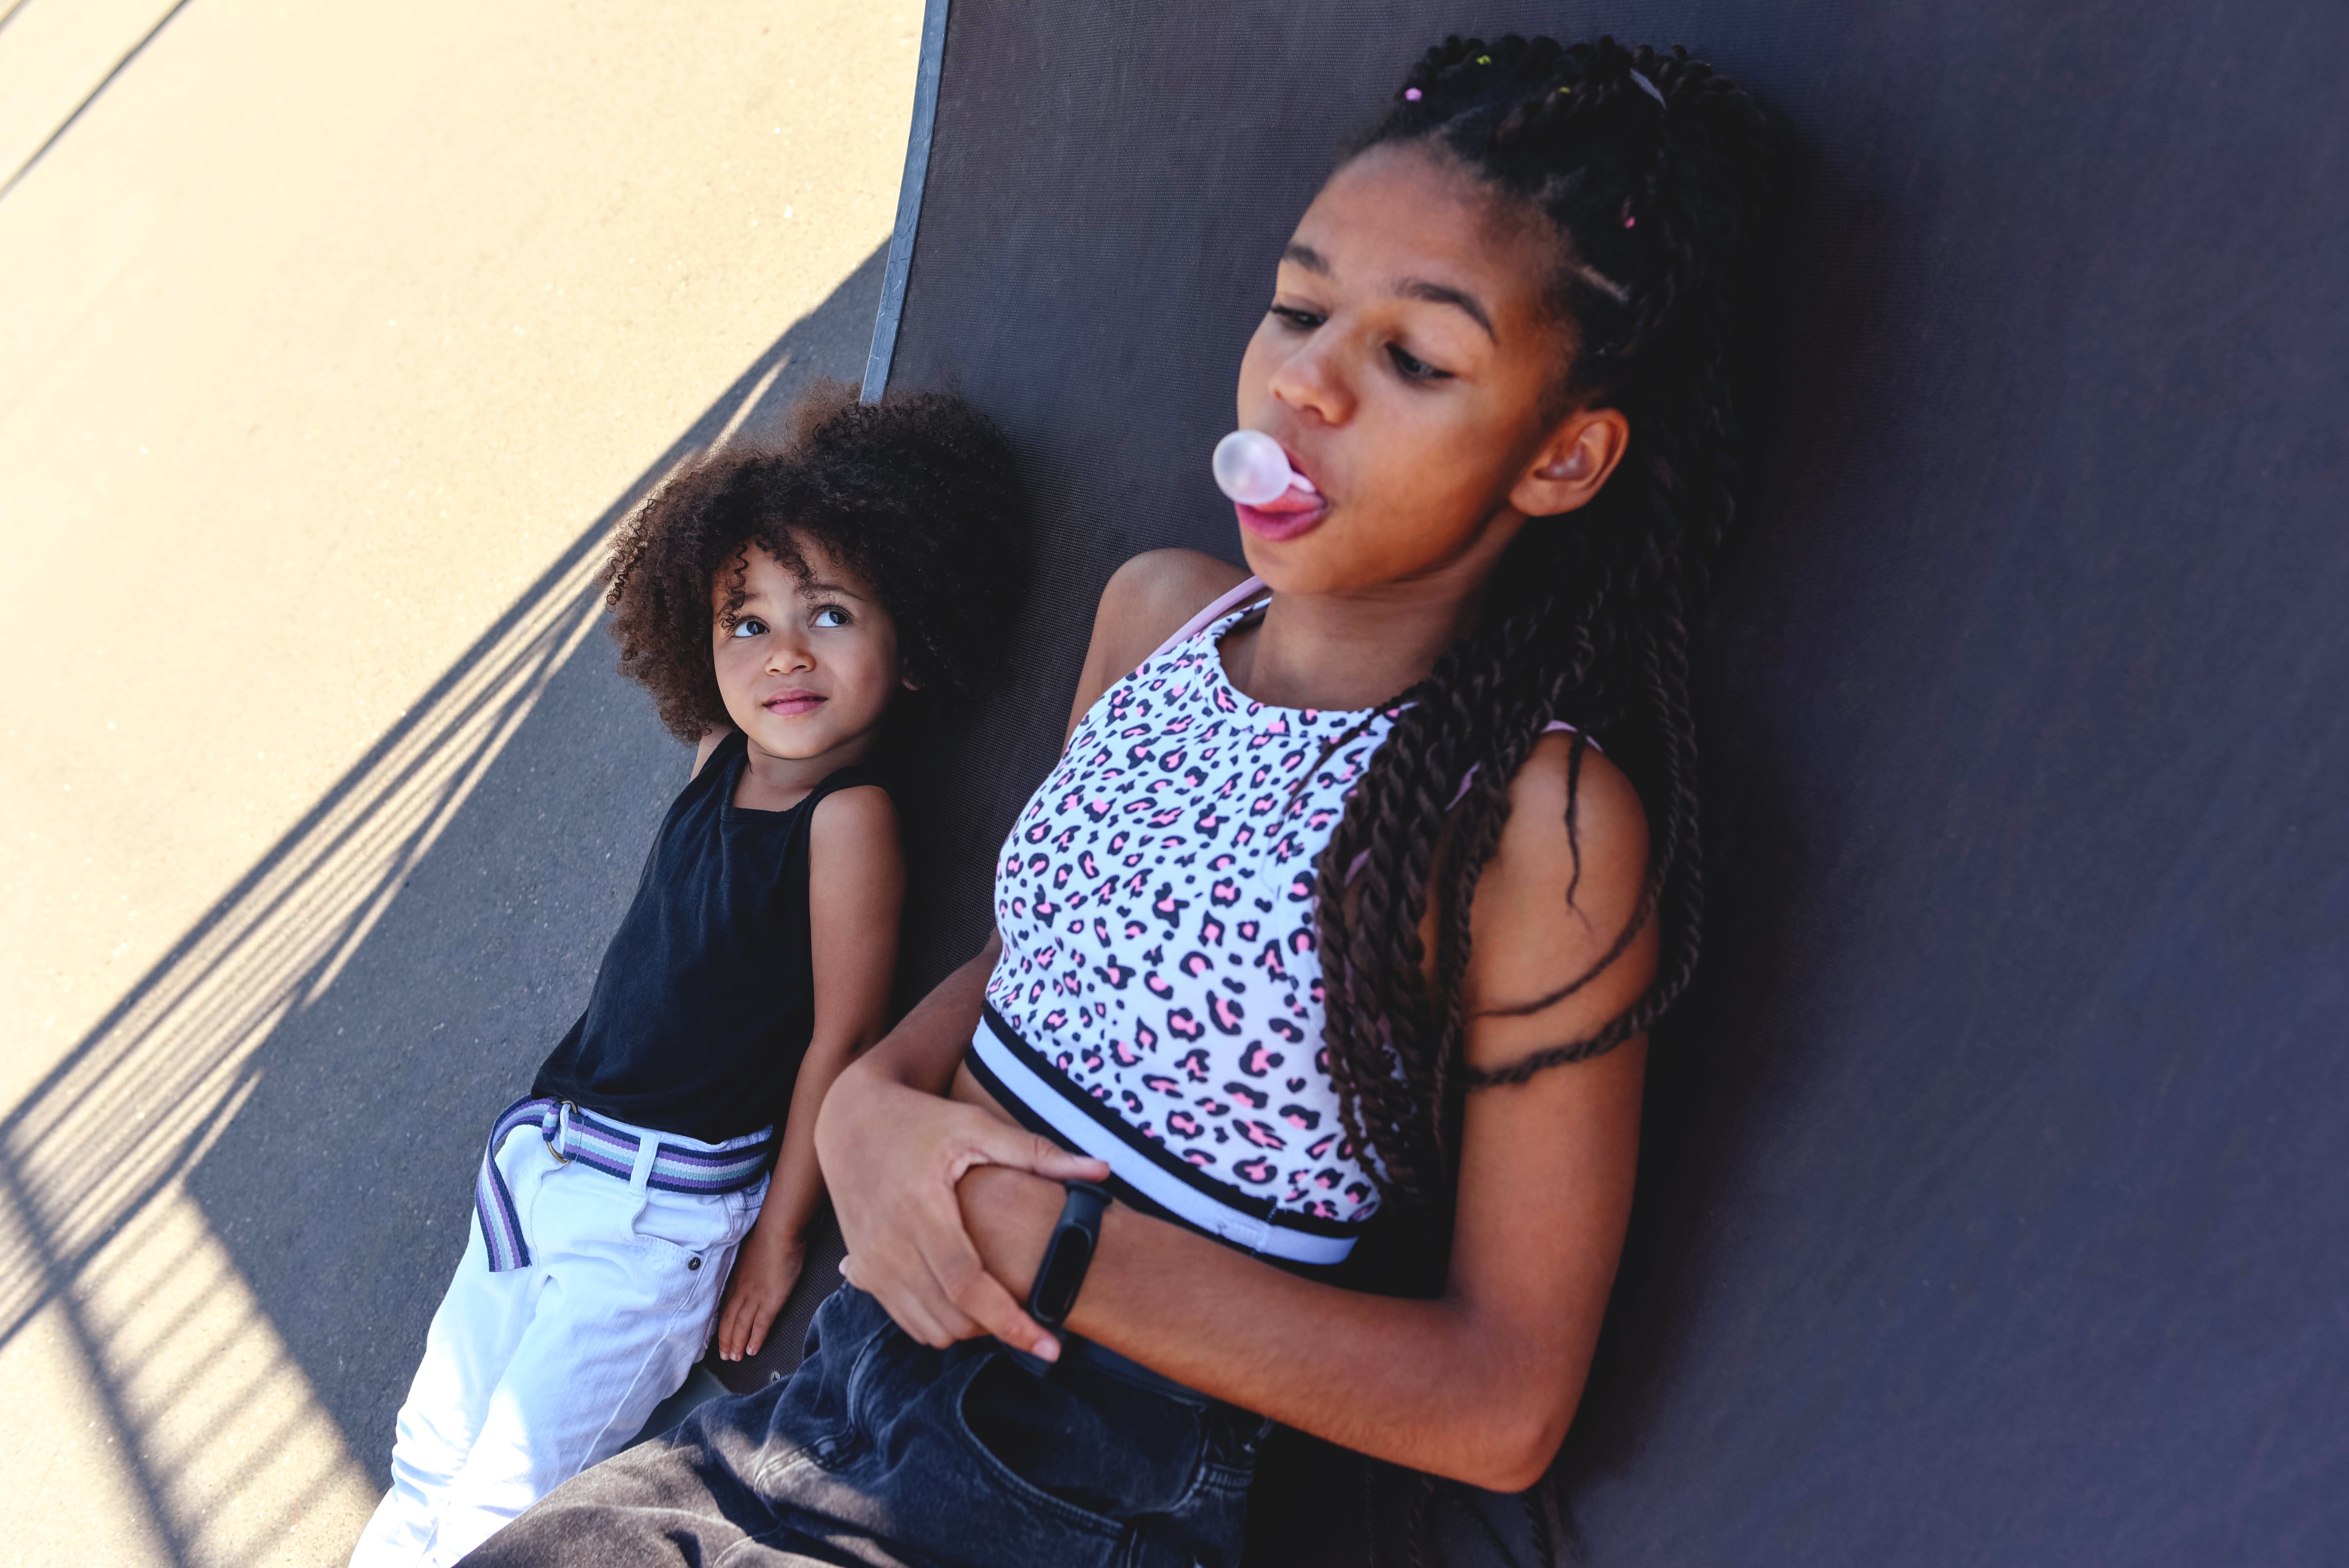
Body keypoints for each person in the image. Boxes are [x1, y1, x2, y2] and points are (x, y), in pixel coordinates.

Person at [463, 32, 1776, 1568]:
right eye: (1298, 307)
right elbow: (1047, 953)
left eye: (1413, 358)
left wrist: (1050, 1240)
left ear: (1562, 453)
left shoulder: (1537, 824)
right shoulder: (1160, 614)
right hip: (829, 1392)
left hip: (1085, 1486)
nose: (1304, 379)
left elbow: (1504, 1398)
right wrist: (875, 1100)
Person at [350, 383, 1027, 1568]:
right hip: (541, 1164)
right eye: (744, 621)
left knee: (496, 1510)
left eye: (829, 613)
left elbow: (840, 1039)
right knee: (425, 1459)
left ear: (911, 635)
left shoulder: (847, 821)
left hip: (653, 1217)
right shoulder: (721, 754)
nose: (784, 654)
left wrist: (777, 1235)